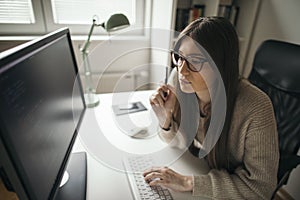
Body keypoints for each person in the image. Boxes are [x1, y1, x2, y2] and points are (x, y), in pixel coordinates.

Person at [143, 17, 279, 199]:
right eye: (179, 57)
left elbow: (261, 188)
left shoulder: (256, 107)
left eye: (195, 61)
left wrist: (187, 182)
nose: (182, 70)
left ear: (220, 64)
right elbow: (178, 144)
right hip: (204, 168)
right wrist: (165, 121)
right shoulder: (179, 79)